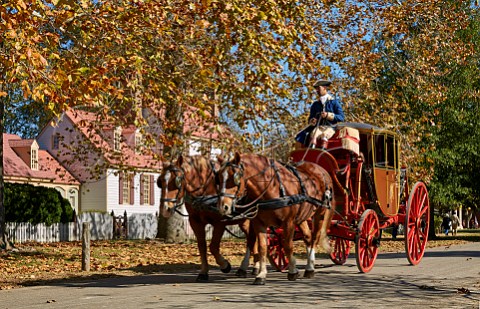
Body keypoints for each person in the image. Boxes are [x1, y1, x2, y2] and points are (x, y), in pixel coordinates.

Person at [295, 79, 345, 150]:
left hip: (330, 127)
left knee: (324, 135)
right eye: (316, 89)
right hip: (318, 127)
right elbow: (310, 118)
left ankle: (322, 150)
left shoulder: (334, 102)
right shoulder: (315, 105)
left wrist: (328, 115)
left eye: (319, 88)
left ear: (324, 88)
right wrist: (312, 121)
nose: (317, 90)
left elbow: (341, 117)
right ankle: (311, 150)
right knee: (313, 134)